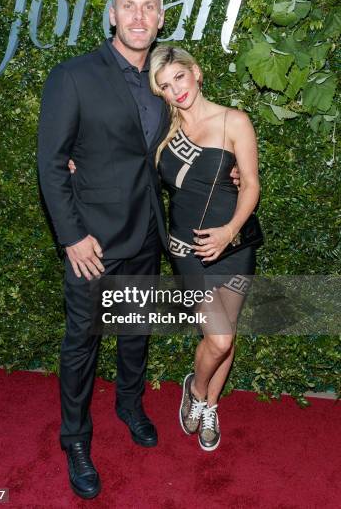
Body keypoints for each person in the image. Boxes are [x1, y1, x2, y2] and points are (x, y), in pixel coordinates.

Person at [37, 0, 170, 500]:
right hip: (91, 243)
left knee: (135, 333)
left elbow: (178, 146)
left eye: (150, 7)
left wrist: (227, 169)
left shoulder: (166, 79)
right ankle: (75, 439)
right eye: (130, 6)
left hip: (146, 235)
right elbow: (51, 164)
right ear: (112, 14)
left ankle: (130, 404)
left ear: (160, 19)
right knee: (82, 344)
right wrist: (71, 237)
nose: (140, 16)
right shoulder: (73, 75)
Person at [149, 45, 260, 451]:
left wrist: (230, 231)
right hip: (186, 248)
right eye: (164, 86)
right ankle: (196, 388)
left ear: (196, 72)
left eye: (178, 77)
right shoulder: (163, 130)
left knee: (224, 337)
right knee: (218, 339)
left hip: (233, 246)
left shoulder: (234, 120)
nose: (175, 90)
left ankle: (208, 404)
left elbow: (250, 184)